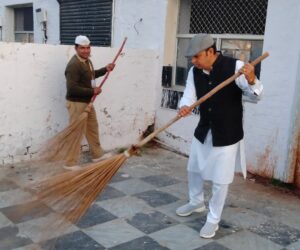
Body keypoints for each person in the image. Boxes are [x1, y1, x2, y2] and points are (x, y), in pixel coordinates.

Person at [175, 34, 263, 238]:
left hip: (227, 133)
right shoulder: (194, 72)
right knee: (194, 169)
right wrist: (185, 106)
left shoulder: (236, 67)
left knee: (220, 179)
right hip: (204, 128)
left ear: (210, 52)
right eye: (191, 58)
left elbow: (256, 96)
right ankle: (196, 202)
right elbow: (189, 95)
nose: (193, 61)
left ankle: (213, 219)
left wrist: (251, 79)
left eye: (196, 56)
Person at [64, 35, 115, 170]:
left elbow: (91, 75)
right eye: (82, 48)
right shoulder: (74, 65)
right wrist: (92, 92)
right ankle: (70, 162)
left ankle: (97, 155)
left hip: (87, 102)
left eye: (87, 48)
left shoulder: (86, 61)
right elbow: (72, 88)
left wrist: (106, 69)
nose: (86, 51)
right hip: (76, 103)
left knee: (92, 128)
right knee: (76, 132)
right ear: (76, 48)